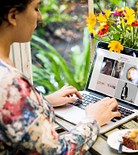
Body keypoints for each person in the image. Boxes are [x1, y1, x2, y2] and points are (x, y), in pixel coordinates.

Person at [0, 0, 121, 154]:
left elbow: (9, 114)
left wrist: (44, 101)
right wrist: (93, 120)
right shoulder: (10, 83)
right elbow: (58, 151)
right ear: (12, 16)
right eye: (36, 8)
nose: (40, 16)